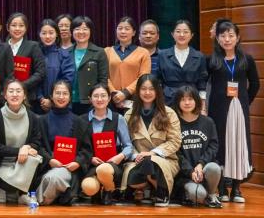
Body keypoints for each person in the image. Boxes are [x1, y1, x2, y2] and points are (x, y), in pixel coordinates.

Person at [206, 20, 259, 203]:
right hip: (218, 110)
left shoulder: (246, 59)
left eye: (230, 35)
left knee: (238, 145)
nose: (227, 39)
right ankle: (221, 188)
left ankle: (236, 188)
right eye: (223, 36)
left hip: (239, 109)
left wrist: (244, 102)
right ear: (217, 38)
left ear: (238, 37)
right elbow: (204, 85)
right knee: (220, 146)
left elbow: (255, 84)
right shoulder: (211, 60)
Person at [122, 74, 181, 206]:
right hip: (137, 161)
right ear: (138, 91)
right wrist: (136, 155)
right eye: (143, 89)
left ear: (157, 91)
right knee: (136, 171)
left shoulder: (169, 113)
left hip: (165, 160)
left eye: (151, 89)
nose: (147, 92)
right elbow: (126, 143)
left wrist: (152, 153)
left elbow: (175, 141)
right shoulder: (129, 115)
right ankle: (144, 187)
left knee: (152, 163)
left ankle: (160, 192)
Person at [0, 79, 47, 205]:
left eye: (18, 91)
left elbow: (36, 141)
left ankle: (22, 194)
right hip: (3, 163)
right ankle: (4, 188)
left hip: (23, 163)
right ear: (5, 95)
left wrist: (28, 147)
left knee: (34, 156)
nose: (15, 94)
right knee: (6, 185)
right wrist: (19, 151)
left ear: (24, 95)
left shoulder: (32, 117)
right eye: (11, 91)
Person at [36, 80, 92, 205]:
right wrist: (50, 160)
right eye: (58, 93)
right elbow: (38, 146)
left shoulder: (79, 122)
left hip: (70, 168)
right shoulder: (42, 120)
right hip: (48, 165)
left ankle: (40, 201)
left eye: (65, 93)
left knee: (52, 178)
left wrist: (77, 162)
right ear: (51, 96)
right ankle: (55, 196)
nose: (61, 97)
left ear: (70, 96)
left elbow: (86, 150)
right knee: (49, 177)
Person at [78, 84, 135, 205]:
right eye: (96, 96)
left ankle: (109, 190)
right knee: (88, 187)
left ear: (109, 98)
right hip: (91, 165)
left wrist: (119, 157)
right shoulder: (81, 120)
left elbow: (128, 146)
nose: (99, 99)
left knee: (104, 169)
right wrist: (90, 158)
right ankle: (97, 191)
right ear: (90, 99)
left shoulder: (118, 118)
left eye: (103, 96)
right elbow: (78, 147)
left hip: (112, 166)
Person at [172, 86, 222, 208]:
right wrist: (190, 171)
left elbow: (213, 146)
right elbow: (175, 152)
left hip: (204, 169)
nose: (187, 103)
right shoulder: (174, 123)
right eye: (183, 99)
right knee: (199, 194)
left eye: (190, 99)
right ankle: (198, 195)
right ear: (178, 102)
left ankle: (212, 194)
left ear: (196, 100)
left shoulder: (208, 122)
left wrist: (201, 164)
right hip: (185, 175)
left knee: (215, 168)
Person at [105, 17, 151, 113]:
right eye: (120, 28)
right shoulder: (107, 51)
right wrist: (114, 93)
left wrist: (125, 93)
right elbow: (104, 75)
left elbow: (144, 77)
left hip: (134, 98)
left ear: (134, 32)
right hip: (111, 99)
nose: (123, 31)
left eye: (127, 29)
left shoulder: (143, 52)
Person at [158, 20, 208, 105]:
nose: (181, 35)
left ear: (191, 35)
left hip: (191, 99)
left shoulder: (199, 56)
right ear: (172, 34)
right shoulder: (162, 55)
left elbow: (202, 81)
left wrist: (202, 103)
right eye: (178, 31)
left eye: (185, 32)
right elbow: (158, 80)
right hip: (168, 99)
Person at [5, 13, 47, 109]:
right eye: (14, 25)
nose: (17, 28)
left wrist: (22, 86)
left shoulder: (33, 46)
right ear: (8, 27)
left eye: (21, 25)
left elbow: (40, 72)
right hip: (6, 96)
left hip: (28, 97)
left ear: (26, 28)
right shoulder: (2, 47)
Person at [70, 16, 108, 115]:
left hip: (90, 102)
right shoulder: (66, 52)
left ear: (90, 31)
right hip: (68, 101)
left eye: (85, 29)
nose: (81, 32)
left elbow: (103, 80)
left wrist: (98, 98)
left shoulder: (99, 52)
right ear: (72, 31)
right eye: (77, 29)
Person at [35, 19, 75, 113]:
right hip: (36, 103)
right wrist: (41, 98)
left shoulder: (64, 55)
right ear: (39, 34)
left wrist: (51, 99)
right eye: (44, 33)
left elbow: (67, 79)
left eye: (51, 33)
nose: (47, 36)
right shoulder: (34, 53)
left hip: (59, 103)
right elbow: (33, 78)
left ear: (57, 34)